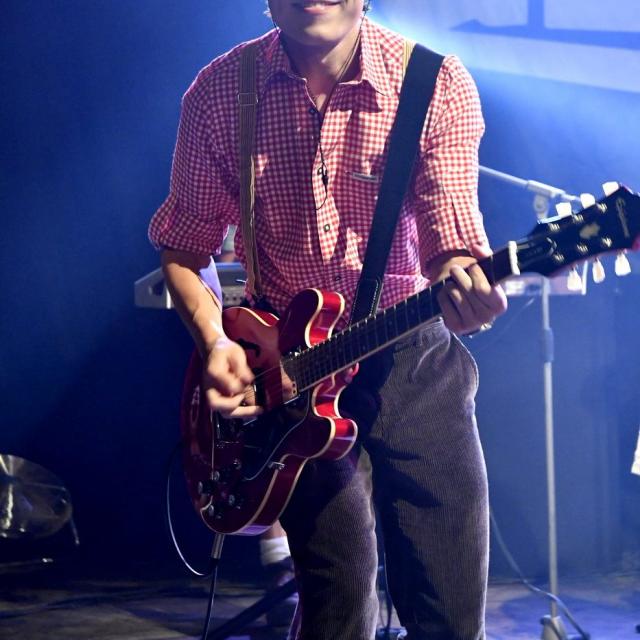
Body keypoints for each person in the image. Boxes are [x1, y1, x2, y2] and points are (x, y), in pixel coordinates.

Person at [149, 1, 507, 638]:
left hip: (409, 352)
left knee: (449, 608)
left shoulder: (433, 82)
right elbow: (183, 250)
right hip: (289, 369)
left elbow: (448, 238)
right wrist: (215, 341)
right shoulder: (219, 91)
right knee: (336, 606)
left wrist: (462, 283)